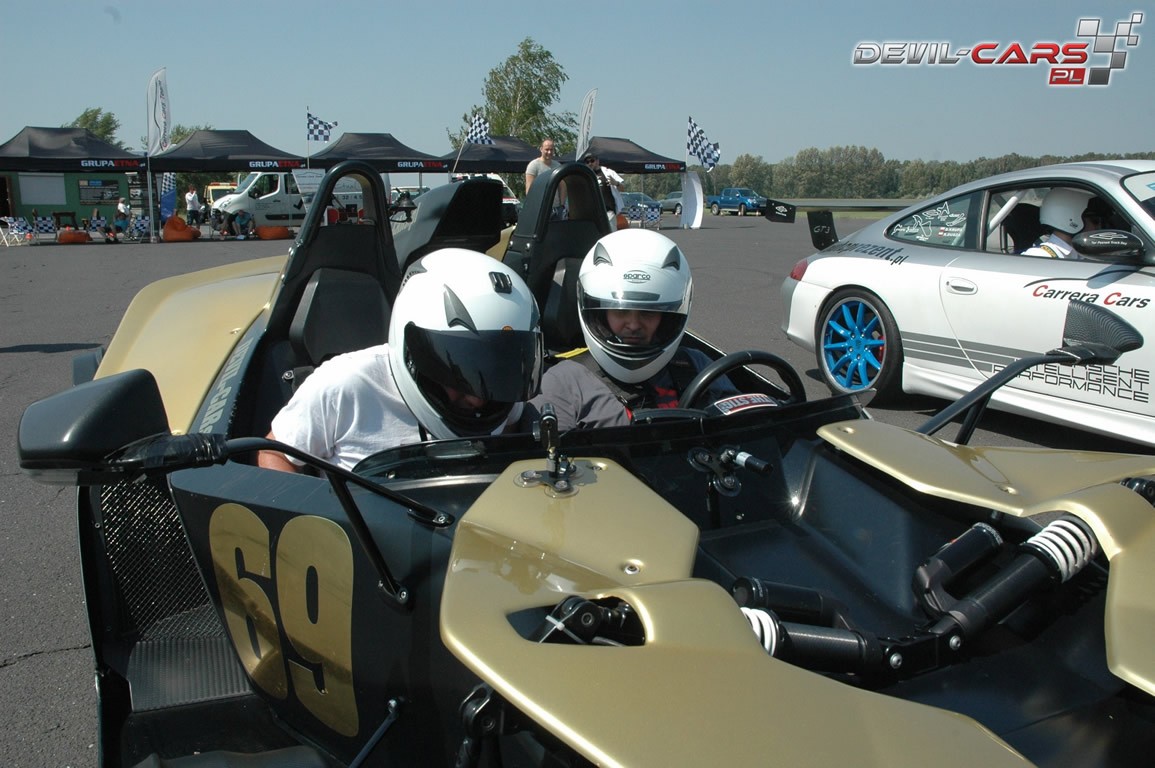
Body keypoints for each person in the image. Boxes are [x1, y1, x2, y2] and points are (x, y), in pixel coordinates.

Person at [258, 248, 543, 473]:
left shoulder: (502, 397)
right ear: (415, 353)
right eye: (462, 373)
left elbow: (508, 434)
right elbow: (274, 454)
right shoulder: (343, 385)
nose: (478, 399)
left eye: (497, 371)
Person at [521, 229, 738, 432]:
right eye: (621, 312)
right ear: (599, 314)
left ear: (668, 317)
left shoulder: (696, 366)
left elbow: (745, 428)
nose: (633, 324)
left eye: (648, 313)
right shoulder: (563, 381)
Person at [1021, 188, 1098, 259]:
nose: (1098, 227)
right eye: (1095, 220)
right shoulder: (1040, 255)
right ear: (1073, 219)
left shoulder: (1080, 253)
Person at [526, 138, 566, 218]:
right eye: (547, 149)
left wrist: (562, 205)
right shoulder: (533, 165)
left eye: (551, 150)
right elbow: (529, 188)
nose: (549, 152)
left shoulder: (558, 166)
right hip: (539, 208)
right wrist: (532, 206)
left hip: (556, 208)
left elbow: (563, 186)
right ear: (541, 149)